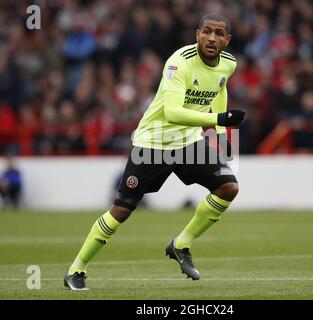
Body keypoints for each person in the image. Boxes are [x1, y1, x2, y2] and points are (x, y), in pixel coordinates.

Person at [64, 13, 245, 290]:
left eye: (219, 33)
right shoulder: (179, 62)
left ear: (227, 40)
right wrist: (219, 121)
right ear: (197, 34)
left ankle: (181, 244)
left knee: (228, 187)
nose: (212, 38)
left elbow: (220, 90)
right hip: (153, 143)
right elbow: (172, 113)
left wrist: (219, 135)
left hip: (188, 143)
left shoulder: (228, 64)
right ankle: (76, 270)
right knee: (122, 210)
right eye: (206, 31)